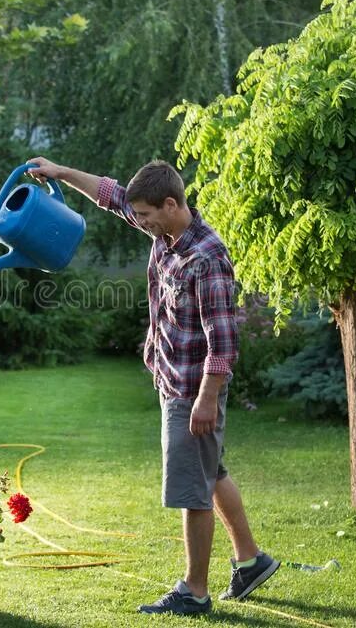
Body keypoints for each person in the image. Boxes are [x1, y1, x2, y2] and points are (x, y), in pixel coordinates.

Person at [26, 157, 280, 616]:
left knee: (192, 489)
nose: (137, 221)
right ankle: (250, 560)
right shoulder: (165, 233)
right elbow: (110, 195)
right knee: (212, 472)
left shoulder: (207, 258)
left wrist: (205, 399)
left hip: (192, 390)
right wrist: (59, 172)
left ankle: (194, 591)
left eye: (144, 215)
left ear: (170, 204)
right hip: (173, 379)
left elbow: (224, 343)